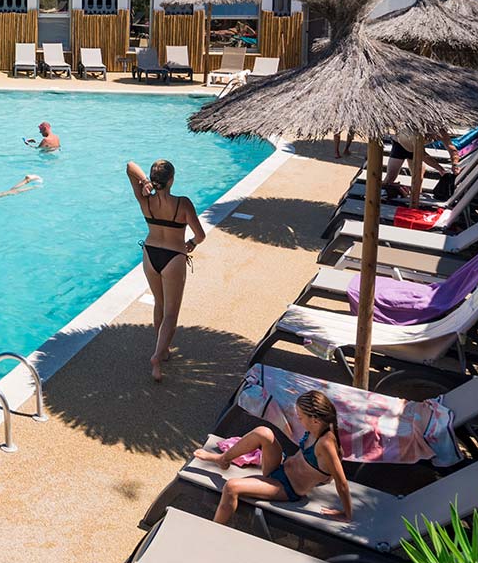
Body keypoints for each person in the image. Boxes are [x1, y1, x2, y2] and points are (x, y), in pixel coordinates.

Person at [192, 390, 351, 525]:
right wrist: (325, 477)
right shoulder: (318, 428)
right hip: (280, 468)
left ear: (315, 420)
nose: (298, 420)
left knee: (231, 487)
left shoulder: (326, 444)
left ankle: (213, 531)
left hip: (286, 487)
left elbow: (342, 482)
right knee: (263, 432)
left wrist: (346, 514)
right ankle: (223, 459)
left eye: (301, 417)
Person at [127, 159, 206, 381]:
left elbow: (130, 166)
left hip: (150, 254)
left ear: (155, 181)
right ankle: (157, 357)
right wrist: (192, 242)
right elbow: (200, 236)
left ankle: (164, 349)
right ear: (171, 180)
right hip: (174, 257)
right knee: (171, 313)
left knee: (159, 305)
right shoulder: (183, 204)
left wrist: (144, 182)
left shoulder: (145, 201)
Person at [381, 130, 458, 207]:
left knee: (418, 179)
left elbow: (451, 148)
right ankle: (380, 197)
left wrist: (455, 164)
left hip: (417, 148)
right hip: (401, 146)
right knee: (390, 177)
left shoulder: (441, 132)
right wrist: (440, 169)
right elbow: (422, 155)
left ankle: (416, 202)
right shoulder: (415, 134)